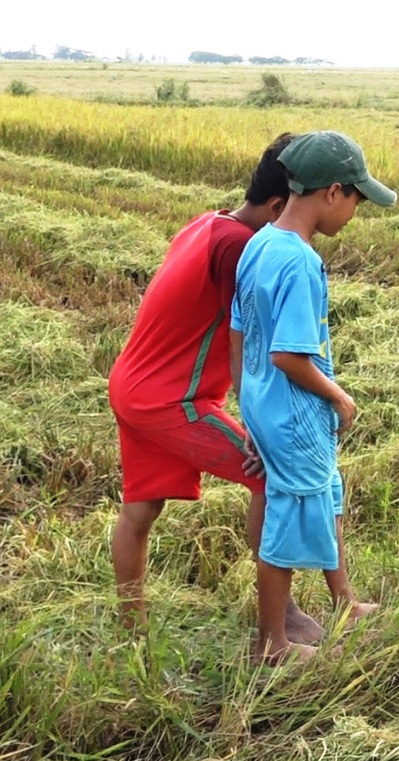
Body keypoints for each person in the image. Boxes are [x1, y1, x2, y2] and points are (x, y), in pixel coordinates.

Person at [108, 133, 319, 644]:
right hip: (170, 401)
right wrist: (256, 425)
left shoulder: (210, 222)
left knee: (140, 510)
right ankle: (281, 619)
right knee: (269, 478)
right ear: (276, 206)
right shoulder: (240, 247)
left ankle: (130, 631)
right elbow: (241, 339)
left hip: (133, 387)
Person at [233, 130, 395, 664]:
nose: (354, 212)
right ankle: (272, 645)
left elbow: (241, 331)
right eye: (356, 199)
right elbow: (289, 355)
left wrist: (245, 397)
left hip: (265, 404)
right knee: (291, 512)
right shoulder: (300, 261)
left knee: (326, 492)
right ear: (332, 192)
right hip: (296, 412)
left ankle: (344, 601)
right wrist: (340, 397)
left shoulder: (259, 242)